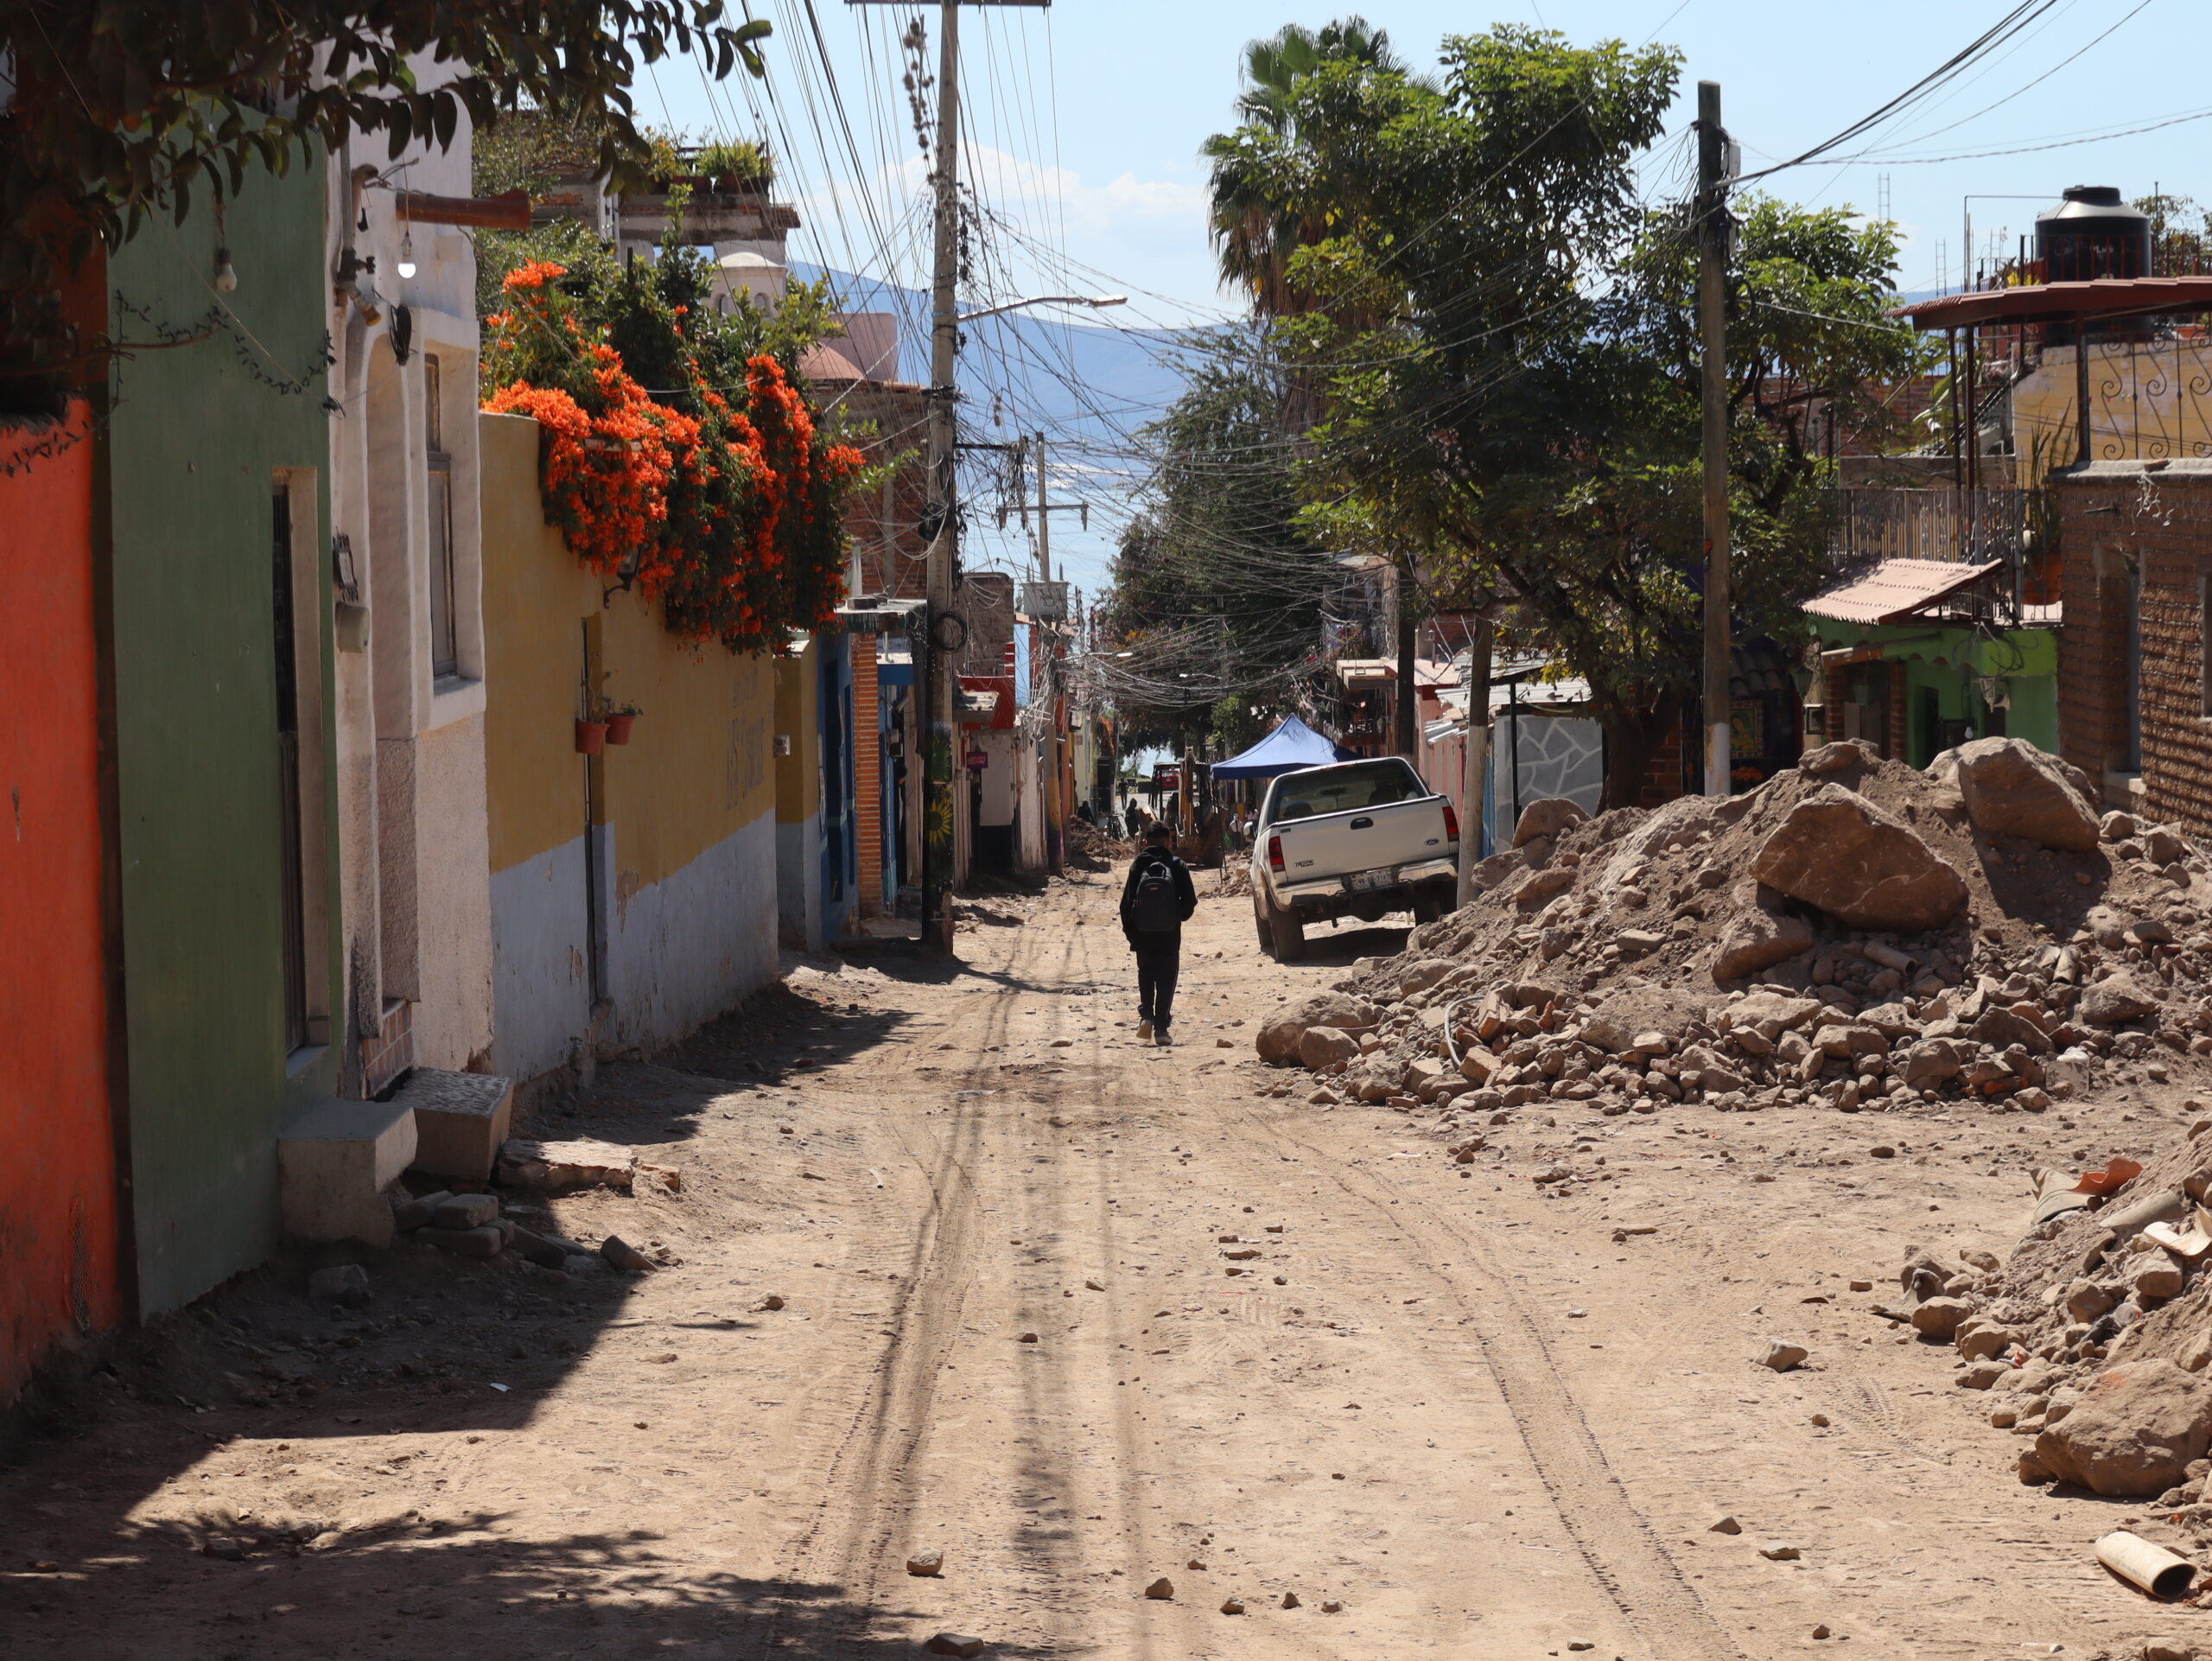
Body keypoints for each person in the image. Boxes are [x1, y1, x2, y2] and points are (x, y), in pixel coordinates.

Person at [1120, 821, 1197, 1046]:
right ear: (1169, 842)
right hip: (1169, 933)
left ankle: (1146, 1016)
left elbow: (1125, 905)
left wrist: (1131, 934)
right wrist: (1176, 918)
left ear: (1145, 842)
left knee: (1146, 972)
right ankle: (1161, 1029)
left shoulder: (1137, 866)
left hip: (1142, 932)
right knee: (1167, 977)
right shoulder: (1177, 865)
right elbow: (1190, 901)